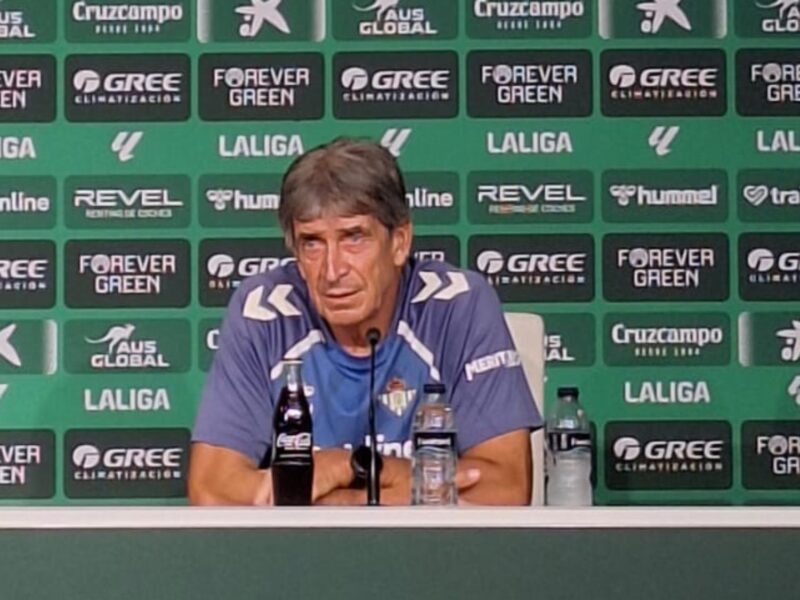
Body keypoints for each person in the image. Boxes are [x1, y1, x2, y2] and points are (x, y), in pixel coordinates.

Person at [189, 137, 542, 505]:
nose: (332, 271)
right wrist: (414, 486)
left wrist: (352, 472)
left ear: (399, 242)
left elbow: (505, 487)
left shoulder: (458, 304)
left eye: (354, 238)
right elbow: (211, 490)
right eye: (312, 243)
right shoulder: (264, 310)